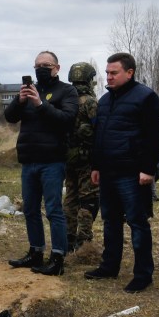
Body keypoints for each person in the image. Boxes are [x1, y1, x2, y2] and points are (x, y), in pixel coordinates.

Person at [84, 53, 159, 293]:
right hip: (108, 172)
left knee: (138, 223)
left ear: (129, 72)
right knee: (110, 222)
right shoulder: (105, 100)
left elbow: (154, 136)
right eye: (107, 73)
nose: (108, 77)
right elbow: (100, 136)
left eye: (113, 73)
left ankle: (143, 275)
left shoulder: (146, 97)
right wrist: (96, 166)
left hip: (132, 173)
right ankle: (109, 267)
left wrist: (148, 170)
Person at [4, 51, 78, 276]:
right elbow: (9, 117)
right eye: (37, 65)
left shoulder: (67, 91)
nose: (40, 68)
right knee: (31, 210)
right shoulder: (29, 91)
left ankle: (57, 258)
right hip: (29, 160)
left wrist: (40, 104)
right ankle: (35, 251)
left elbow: (66, 120)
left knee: (54, 210)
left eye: (46, 65)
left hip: (52, 161)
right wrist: (21, 100)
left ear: (57, 67)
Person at [64, 61, 99, 252]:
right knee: (88, 199)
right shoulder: (90, 102)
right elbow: (98, 129)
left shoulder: (65, 100)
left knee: (70, 198)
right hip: (86, 159)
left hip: (68, 158)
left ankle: (68, 237)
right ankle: (84, 239)